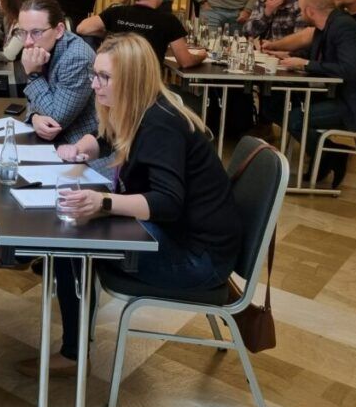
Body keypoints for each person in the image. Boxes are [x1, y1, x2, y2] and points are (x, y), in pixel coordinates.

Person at [17, 33, 241, 378]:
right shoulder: (145, 109)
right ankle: (75, 347)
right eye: (94, 74)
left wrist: (103, 202)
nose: (94, 84)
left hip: (197, 260)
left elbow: (167, 203)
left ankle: (74, 355)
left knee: (71, 240)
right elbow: (107, 138)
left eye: (104, 77)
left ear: (132, 80)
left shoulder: (161, 125)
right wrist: (84, 147)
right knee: (73, 233)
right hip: (188, 240)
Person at [274, 0, 356, 188]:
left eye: (301, 10)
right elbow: (316, 55)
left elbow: (349, 69)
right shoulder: (327, 26)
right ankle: (326, 156)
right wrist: (288, 57)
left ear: (310, 11)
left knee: (295, 118)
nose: (300, 14)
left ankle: (331, 156)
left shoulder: (344, 28)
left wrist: (305, 64)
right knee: (278, 103)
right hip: (342, 95)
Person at [77, 0, 205, 68]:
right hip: (148, 87)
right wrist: (201, 56)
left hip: (116, 82)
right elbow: (185, 61)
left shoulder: (115, 13)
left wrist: (109, 34)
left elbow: (81, 28)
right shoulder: (168, 20)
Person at [16, 0, 97, 143]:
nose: (27, 42)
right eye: (23, 32)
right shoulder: (43, 50)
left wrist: (34, 75)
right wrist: (34, 117)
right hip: (53, 141)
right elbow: (34, 100)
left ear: (59, 30)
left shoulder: (77, 58)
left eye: (36, 32)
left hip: (79, 145)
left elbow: (55, 120)